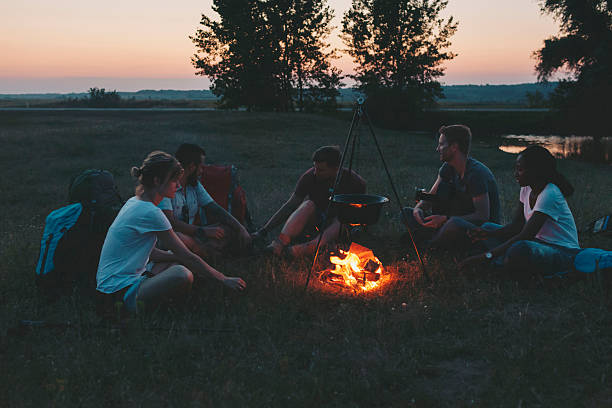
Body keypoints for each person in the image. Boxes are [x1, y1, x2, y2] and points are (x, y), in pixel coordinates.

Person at [96, 151, 246, 313]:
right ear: (157, 181)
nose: (179, 185)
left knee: (178, 263)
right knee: (182, 273)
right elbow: (186, 255)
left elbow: (150, 252)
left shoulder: (135, 202)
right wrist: (223, 279)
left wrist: (175, 257)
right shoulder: (151, 212)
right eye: (174, 181)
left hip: (114, 285)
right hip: (117, 292)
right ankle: (158, 310)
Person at [459, 145, 581, 284]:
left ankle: (497, 263)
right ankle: (502, 262)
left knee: (520, 249)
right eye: (516, 168)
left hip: (562, 252)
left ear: (536, 171)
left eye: (520, 169)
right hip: (536, 244)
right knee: (488, 227)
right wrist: (488, 234)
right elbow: (517, 226)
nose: (515, 174)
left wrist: (486, 256)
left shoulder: (549, 193)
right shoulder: (526, 189)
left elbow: (525, 235)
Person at [253, 145, 366, 258]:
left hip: (340, 224)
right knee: (308, 204)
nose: (316, 173)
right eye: (315, 168)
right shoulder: (309, 177)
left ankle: (310, 247)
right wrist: (264, 231)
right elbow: (290, 205)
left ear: (336, 168)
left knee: (343, 218)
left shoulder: (355, 182)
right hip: (318, 219)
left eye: (321, 170)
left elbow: (358, 214)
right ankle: (279, 244)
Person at [402, 124, 500, 249]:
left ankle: (429, 246)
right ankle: (435, 237)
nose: (438, 149)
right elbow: (430, 198)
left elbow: (482, 216)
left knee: (453, 224)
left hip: (480, 232)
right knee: (406, 213)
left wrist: (445, 219)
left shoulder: (476, 174)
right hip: (451, 219)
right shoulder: (448, 168)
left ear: (454, 147)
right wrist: (418, 209)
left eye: (441, 144)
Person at [158, 143, 251, 259]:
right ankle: (204, 253)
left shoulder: (194, 184)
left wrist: (240, 228)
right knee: (178, 238)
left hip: (193, 236)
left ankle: (202, 252)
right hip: (171, 238)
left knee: (226, 229)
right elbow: (170, 223)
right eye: (201, 167)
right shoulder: (167, 185)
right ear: (191, 167)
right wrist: (203, 231)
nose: (203, 171)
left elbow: (215, 209)